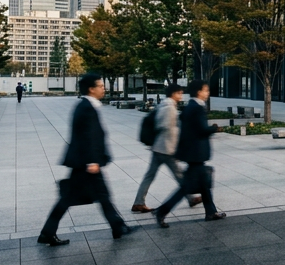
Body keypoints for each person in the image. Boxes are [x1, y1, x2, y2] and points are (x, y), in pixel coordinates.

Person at [39, 74, 131, 246]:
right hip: (86, 163)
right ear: (91, 89)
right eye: (101, 86)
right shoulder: (86, 107)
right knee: (89, 197)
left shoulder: (87, 106)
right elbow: (87, 137)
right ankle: (118, 226)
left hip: (84, 162)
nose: (103, 88)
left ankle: (117, 226)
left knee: (95, 196)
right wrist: (92, 161)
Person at [156, 82, 225, 225]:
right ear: (199, 92)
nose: (208, 93)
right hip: (196, 154)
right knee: (186, 188)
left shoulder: (190, 107)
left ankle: (211, 212)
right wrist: (214, 128)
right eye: (206, 90)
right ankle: (162, 211)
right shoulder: (197, 108)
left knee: (204, 185)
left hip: (192, 154)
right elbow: (201, 130)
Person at [132, 84, 185, 213]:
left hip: (159, 148)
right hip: (166, 148)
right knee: (179, 175)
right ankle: (190, 197)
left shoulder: (164, 105)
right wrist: (175, 145)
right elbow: (165, 127)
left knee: (150, 175)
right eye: (179, 93)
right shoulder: (169, 107)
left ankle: (138, 202)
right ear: (173, 94)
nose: (181, 96)